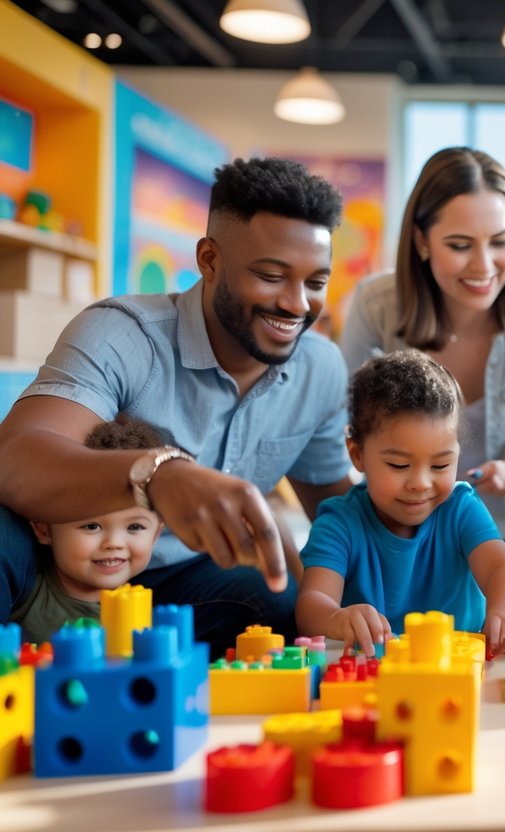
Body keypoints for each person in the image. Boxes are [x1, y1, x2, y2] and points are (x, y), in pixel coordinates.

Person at [0, 157, 353, 657]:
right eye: (271, 275)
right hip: (61, 567)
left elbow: (340, 513)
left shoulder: (321, 367)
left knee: (271, 598)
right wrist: (155, 477)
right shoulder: (122, 334)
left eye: (315, 282)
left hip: (173, 582)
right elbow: (14, 457)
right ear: (209, 260)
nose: (297, 304)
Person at [339, 147, 505, 642]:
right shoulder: (376, 305)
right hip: (402, 540)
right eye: (460, 245)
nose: (484, 265)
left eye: (500, 242)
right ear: (421, 241)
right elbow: (344, 421)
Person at [296, 349, 505, 656]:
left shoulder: (461, 509)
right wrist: (336, 618)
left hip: (459, 670)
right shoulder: (338, 523)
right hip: (375, 674)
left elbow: (502, 569)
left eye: (440, 465)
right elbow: (312, 602)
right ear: (358, 455)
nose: (421, 483)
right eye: (399, 465)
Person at [11, 418, 165, 642]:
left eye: (135, 527)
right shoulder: (22, 594)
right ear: (44, 529)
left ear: (155, 535)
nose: (114, 543)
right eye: (92, 526)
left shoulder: (147, 616)